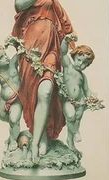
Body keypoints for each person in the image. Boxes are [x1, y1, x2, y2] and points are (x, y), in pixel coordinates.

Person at [12, 0, 74, 163]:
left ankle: (35, 144)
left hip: (51, 47)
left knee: (46, 92)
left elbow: (62, 18)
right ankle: (42, 137)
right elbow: (19, 5)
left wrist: (69, 40)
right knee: (31, 94)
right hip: (30, 49)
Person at [58, 33, 94, 158]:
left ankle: (70, 140)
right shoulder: (68, 66)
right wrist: (66, 40)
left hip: (80, 102)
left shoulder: (82, 76)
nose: (80, 64)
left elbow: (86, 90)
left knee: (77, 119)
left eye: (84, 64)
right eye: (79, 60)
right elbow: (63, 53)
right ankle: (76, 132)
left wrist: (91, 98)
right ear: (74, 56)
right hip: (68, 99)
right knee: (70, 116)